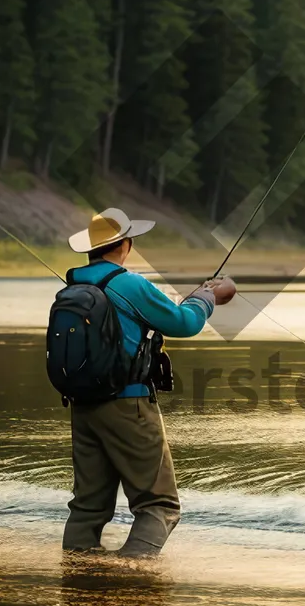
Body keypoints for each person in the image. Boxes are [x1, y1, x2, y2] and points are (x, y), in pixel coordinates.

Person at [61, 207, 234, 558]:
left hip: (82, 406)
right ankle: (132, 574)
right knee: (160, 504)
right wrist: (210, 296)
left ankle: (79, 575)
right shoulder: (130, 283)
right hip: (129, 404)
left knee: (88, 506)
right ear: (125, 244)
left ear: (90, 249)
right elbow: (185, 324)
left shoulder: (76, 284)